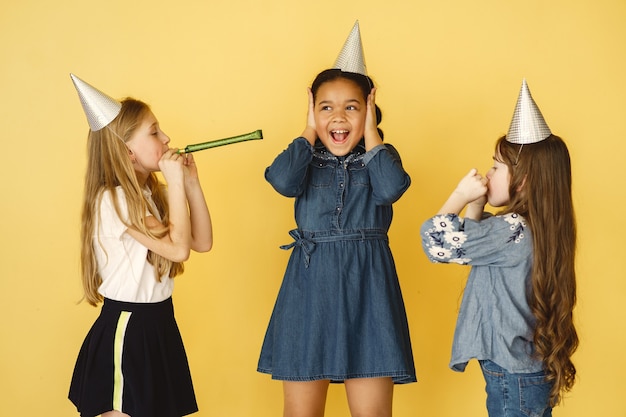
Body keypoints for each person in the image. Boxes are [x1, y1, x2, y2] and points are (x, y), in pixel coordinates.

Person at [257, 22, 416, 417]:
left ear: (369, 111)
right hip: (309, 292)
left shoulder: (379, 158)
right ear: (313, 111)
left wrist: (373, 135)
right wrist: (309, 129)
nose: (338, 118)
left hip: (369, 292)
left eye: (352, 107)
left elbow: (392, 188)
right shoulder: (306, 160)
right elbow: (280, 178)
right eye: (326, 107)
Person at [420, 79, 578, 416]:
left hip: (511, 378)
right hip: (526, 374)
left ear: (522, 181)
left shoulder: (509, 230)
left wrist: (460, 196)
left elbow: (438, 242)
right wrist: (476, 206)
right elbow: (472, 247)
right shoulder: (533, 229)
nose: (488, 174)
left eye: (495, 166)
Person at [68, 74, 213, 417]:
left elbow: (202, 242)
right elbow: (179, 250)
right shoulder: (113, 201)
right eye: (154, 132)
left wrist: (190, 184)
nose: (167, 139)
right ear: (127, 152)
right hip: (128, 329)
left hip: (159, 325)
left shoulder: (148, 195)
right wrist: (175, 182)